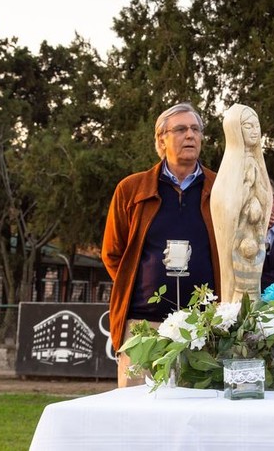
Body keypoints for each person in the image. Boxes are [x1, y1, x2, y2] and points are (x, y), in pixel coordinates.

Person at [101, 103, 221, 387]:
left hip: (204, 326)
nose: (190, 135)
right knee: (137, 417)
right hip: (143, 326)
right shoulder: (131, 190)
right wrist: (140, 285)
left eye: (195, 129)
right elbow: (112, 253)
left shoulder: (220, 188)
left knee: (200, 413)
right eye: (180, 129)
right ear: (161, 140)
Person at [211, 104, 271, 302]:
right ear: (235, 129)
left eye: (256, 126)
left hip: (254, 240)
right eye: (247, 126)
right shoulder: (230, 168)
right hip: (238, 240)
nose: (254, 131)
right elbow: (226, 205)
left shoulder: (257, 163)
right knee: (234, 290)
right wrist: (246, 190)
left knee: (253, 289)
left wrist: (257, 195)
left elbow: (265, 200)